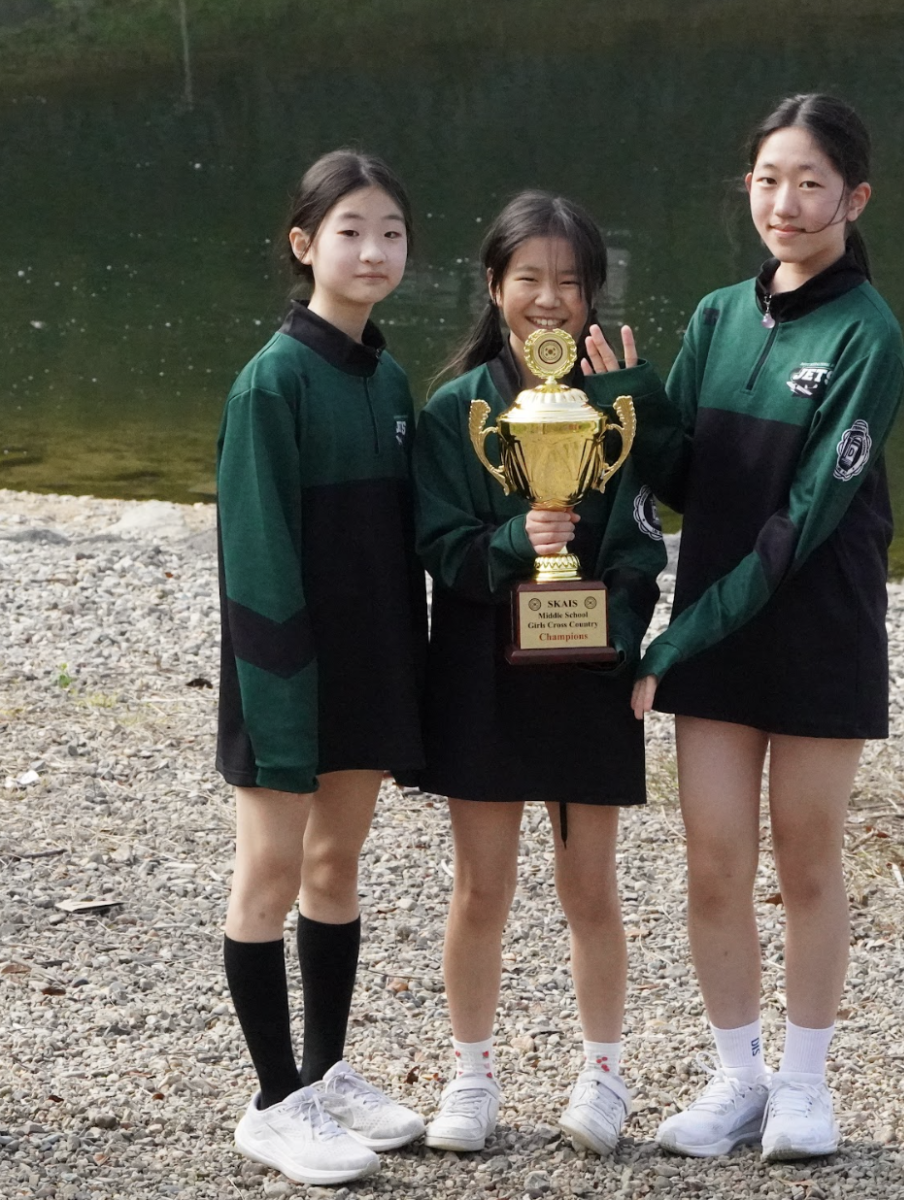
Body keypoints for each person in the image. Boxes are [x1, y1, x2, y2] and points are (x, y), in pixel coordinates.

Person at [582, 93, 904, 1161]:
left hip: (815, 625)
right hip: (716, 628)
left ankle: (805, 1086)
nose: (785, 202)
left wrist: (672, 642)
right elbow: (682, 483)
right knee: (712, 861)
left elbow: (802, 520)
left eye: (810, 182)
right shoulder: (720, 316)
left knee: (805, 857)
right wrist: (628, 406)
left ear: (851, 199)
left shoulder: (867, 337)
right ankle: (736, 1078)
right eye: (767, 180)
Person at [413, 191, 665, 1157]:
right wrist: (514, 540)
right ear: (493, 287)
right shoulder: (455, 409)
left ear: (592, 294)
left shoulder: (618, 407)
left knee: (590, 888)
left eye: (569, 282)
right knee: (480, 888)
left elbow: (642, 550)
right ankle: (469, 1074)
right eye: (530, 280)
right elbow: (437, 544)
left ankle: (604, 1072)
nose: (549, 300)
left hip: (589, 668)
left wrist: (626, 637)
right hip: (480, 665)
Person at [216, 149, 428, 1186]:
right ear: (304, 247)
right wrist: (278, 699)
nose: (373, 249)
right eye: (349, 230)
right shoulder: (273, 380)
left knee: (335, 869)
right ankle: (271, 1101)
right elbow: (255, 558)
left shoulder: (386, 377)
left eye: (389, 231)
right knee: (266, 873)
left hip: (368, 665)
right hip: (284, 675)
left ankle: (325, 1067)